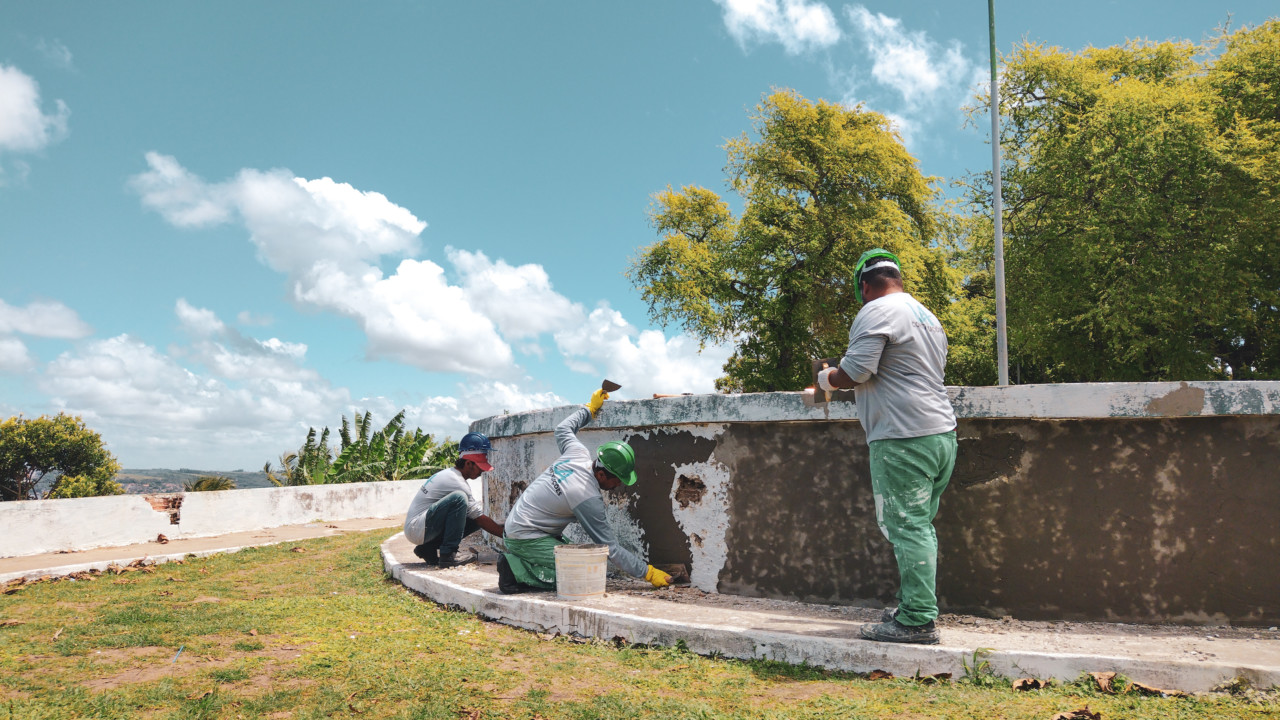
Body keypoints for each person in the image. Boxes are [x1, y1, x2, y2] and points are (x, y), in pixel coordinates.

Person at [817, 248, 958, 645]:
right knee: (919, 527)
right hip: (940, 435)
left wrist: (827, 378)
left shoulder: (876, 311)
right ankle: (913, 604)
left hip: (903, 436)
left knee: (906, 527)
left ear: (865, 286)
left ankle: (916, 621)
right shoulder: (927, 316)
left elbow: (856, 372)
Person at [496, 387, 673, 594]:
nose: (619, 486)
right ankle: (514, 570)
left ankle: (519, 560)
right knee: (580, 572)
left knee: (581, 556)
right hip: (524, 536)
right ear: (601, 475)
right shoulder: (587, 497)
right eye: (617, 480)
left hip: (522, 526)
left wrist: (589, 409)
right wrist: (648, 572)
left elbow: (562, 429)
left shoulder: (578, 453)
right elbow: (610, 548)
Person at [403, 432, 505, 568]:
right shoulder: (457, 482)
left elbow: (477, 518)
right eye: (480, 467)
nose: (482, 471)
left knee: (473, 517)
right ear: (469, 463)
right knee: (460, 499)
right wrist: (506, 536)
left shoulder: (451, 475)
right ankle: (448, 556)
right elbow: (480, 518)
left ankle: (428, 549)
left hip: (419, 528)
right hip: (417, 529)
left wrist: (502, 525)